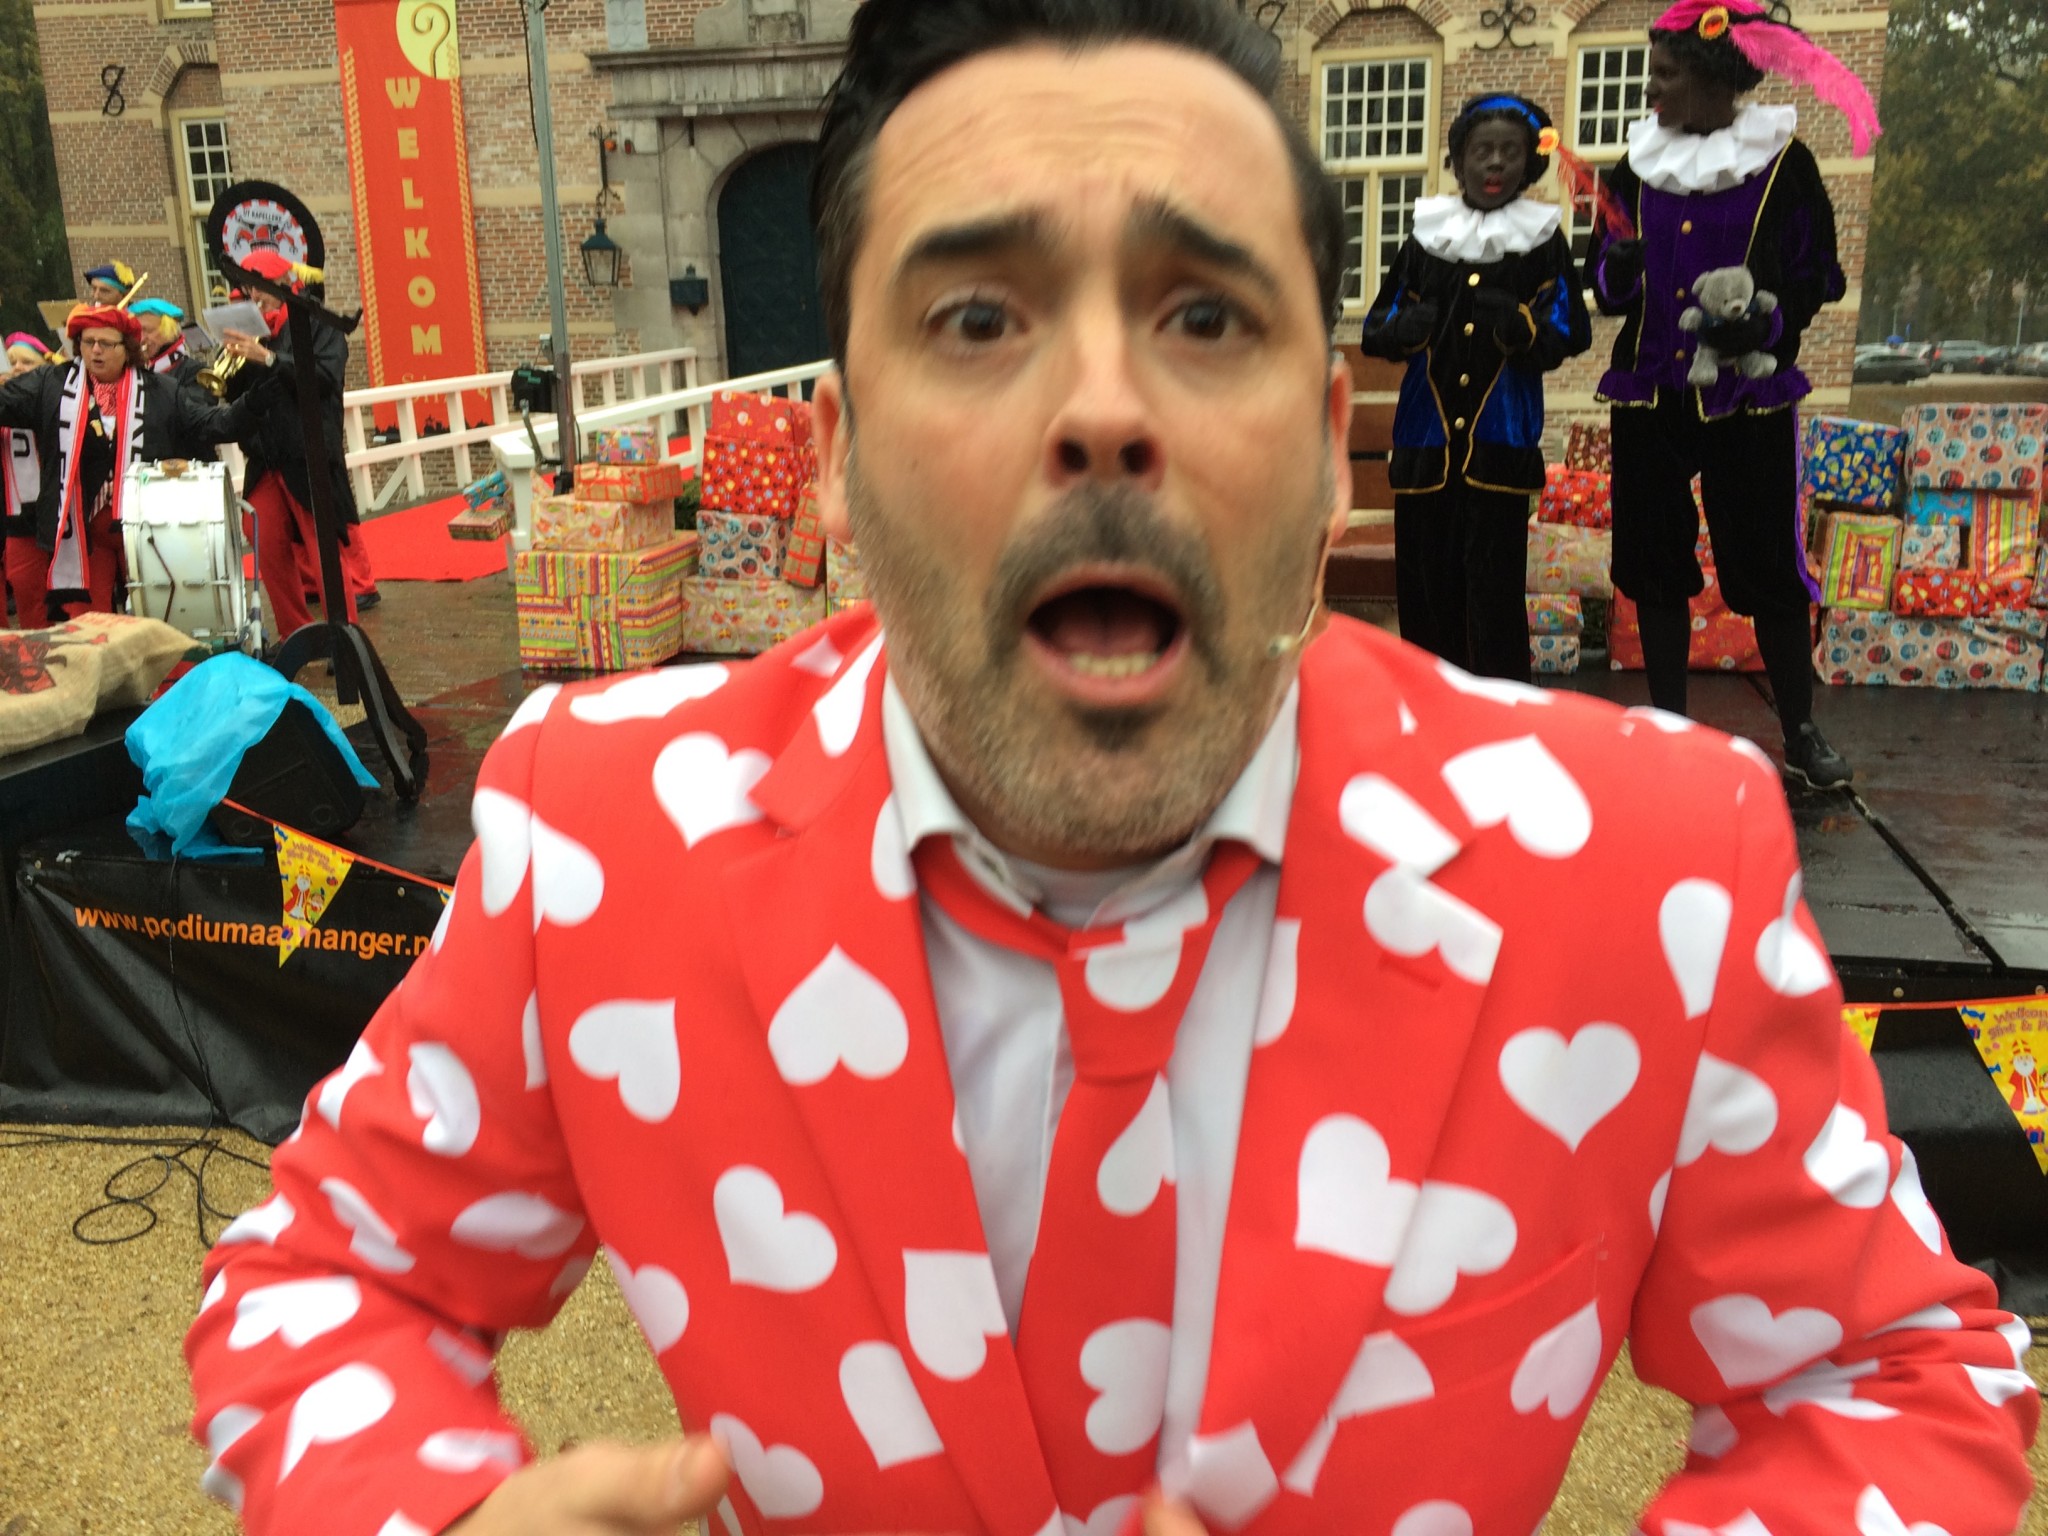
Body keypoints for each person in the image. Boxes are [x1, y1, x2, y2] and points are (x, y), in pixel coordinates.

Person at [186, 4, 2036, 1535]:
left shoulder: (1642, 869)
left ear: (1325, 450)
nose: (1101, 409)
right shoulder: (602, 836)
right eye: (976, 317)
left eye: (1205, 317)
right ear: (830, 463)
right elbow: (319, 1280)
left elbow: (1888, 1379)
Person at [1586, 0, 1878, 789]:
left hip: (1749, 398)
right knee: (1652, 562)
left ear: (1713, 76)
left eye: (1665, 73)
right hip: (1651, 392)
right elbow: (1605, 285)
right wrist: (1621, 266)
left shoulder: (1784, 163)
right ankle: (1672, 731)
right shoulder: (1633, 167)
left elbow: (1817, 274)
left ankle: (1801, 731)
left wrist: (1769, 323)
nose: (1650, 89)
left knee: (1769, 564)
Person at [1360, 94, 1591, 682]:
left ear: (1529, 164)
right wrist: (1403, 328)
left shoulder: (1541, 243)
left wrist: (1523, 327)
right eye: (1482, 150)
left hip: (1498, 446)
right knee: (1425, 588)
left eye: (1509, 152)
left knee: (1493, 597)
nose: (1495, 163)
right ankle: (1427, 704)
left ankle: (1498, 711)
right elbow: (1377, 327)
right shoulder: (1425, 240)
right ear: (1459, 160)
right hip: (1426, 446)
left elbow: (1571, 329)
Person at [0, 305, 253, 617]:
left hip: (147, 526)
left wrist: (257, 396)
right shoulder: (52, 383)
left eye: (106, 343)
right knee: (88, 623)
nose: (95, 351)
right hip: (82, 532)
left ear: (128, 348)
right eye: (88, 342)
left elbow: (215, 424)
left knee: (161, 613)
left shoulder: (161, 391)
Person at [215, 251, 379, 639]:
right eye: (249, 289)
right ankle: (296, 634)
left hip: (307, 454)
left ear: (285, 285)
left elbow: (324, 379)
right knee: (264, 540)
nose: (254, 296)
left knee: (323, 550)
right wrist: (232, 362)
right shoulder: (253, 329)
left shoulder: (319, 324)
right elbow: (236, 395)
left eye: (261, 288)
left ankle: (344, 636)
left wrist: (269, 359)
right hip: (265, 455)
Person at [3, 333, 57, 627]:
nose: (18, 368)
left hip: (58, 512)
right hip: (19, 517)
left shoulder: (54, 396)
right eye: (12, 362)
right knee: (25, 588)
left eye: (27, 362)